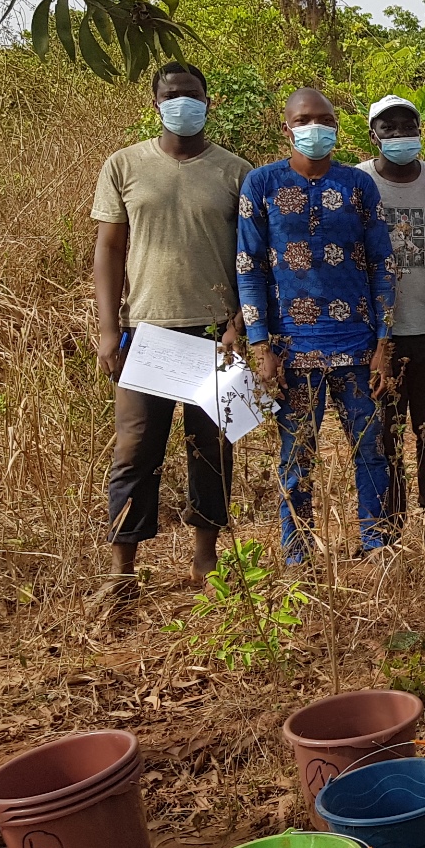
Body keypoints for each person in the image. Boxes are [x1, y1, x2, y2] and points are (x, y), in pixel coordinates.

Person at [92, 61, 249, 595]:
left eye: (193, 94)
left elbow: (254, 257)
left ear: (210, 101)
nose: (183, 102)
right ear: (156, 102)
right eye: (173, 94)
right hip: (148, 332)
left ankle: (206, 559)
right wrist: (108, 329)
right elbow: (110, 249)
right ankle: (123, 568)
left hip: (215, 332)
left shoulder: (235, 171)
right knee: (135, 449)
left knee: (213, 448)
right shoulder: (124, 165)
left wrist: (240, 322)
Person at [237, 89, 396, 564]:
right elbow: (249, 267)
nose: (315, 128)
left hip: (357, 345)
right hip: (292, 349)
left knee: (370, 449)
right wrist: (261, 344)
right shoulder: (260, 184)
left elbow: (383, 265)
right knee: (296, 456)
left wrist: (384, 343)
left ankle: (376, 543)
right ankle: (298, 552)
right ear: (286, 127)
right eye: (305, 119)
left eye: (325, 119)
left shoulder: (357, 185)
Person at [358, 95, 425, 540]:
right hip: (379, 337)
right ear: (373, 134)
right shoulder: (356, 181)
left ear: (420, 129)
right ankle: (390, 529)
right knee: (385, 436)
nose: (399, 135)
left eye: (407, 126)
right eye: (389, 127)